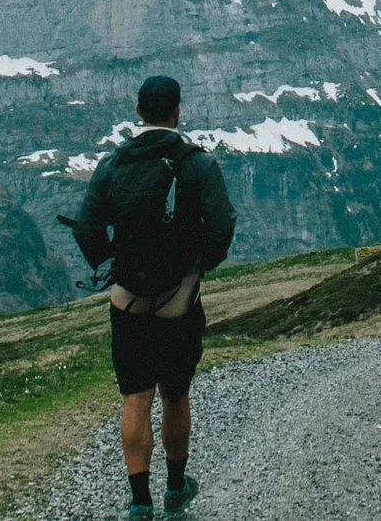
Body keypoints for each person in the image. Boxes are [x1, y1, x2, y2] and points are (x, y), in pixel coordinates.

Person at [61, 75, 236, 517]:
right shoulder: (197, 164)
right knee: (175, 394)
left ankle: (140, 503)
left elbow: (86, 226)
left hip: (127, 297)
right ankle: (176, 489)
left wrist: (109, 264)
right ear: (178, 112)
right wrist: (198, 269)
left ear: (138, 111)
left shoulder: (113, 164)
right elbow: (221, 226)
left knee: (135, 396)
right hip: (180, 298)